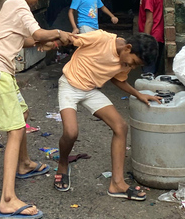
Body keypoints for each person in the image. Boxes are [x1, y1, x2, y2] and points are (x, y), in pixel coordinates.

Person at [0, 0, 74, 218]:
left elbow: (24, 39)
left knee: (22, 114)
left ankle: (23, 163)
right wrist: (59, 33)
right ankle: (7, 199)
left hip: (0, 70)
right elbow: (37, 33)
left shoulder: (11, 4)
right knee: (15, 130)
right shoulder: (20, 5)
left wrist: (49, 42)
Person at [53, 31, 160, 200]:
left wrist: (138, 94)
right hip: (69, 86)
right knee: (71, 132)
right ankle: (63, 163)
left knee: (121, 127)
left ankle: (117, 183)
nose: (131, 67)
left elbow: (118, 79)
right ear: (128, 48)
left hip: (90, 90)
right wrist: (54, 39)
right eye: (133, 63)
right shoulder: (101, 39)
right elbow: (72, 39)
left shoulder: (125, 61)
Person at [138, 0, 165, 75]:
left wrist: (144, 41)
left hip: (151, 37)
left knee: (148, 73)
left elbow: (149, 20)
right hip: (157, 37)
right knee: (152, 70)